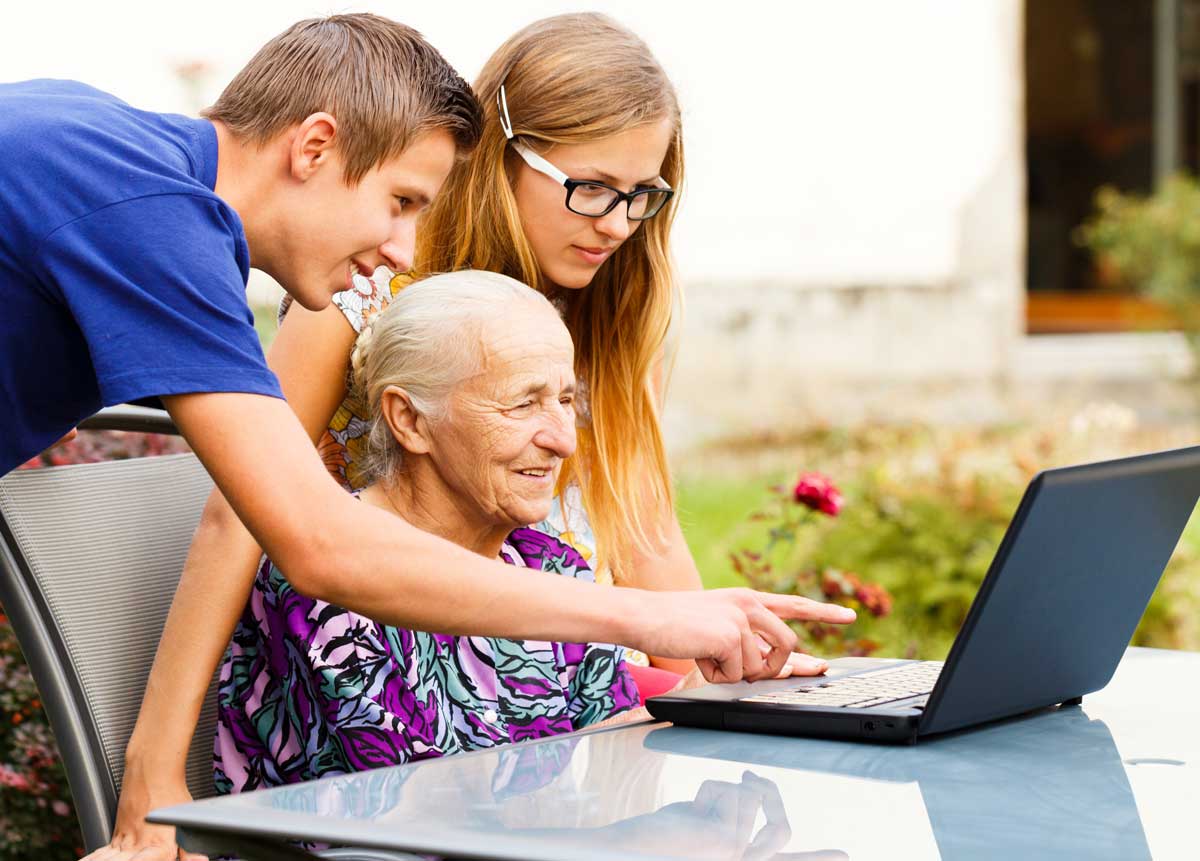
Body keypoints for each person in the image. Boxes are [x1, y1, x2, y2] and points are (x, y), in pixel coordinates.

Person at [0, 13, 848, 861]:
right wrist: (151, 779)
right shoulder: (151, 215)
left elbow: (646, 531)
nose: (398, 246)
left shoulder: (126, 176)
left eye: (642, 197)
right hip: (382, 719)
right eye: (400, 200)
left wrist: (713, 660)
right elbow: (308, 540)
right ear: (315, 147)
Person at [216, 271, 650, 792]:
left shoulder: (547, 562)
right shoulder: (329, 582)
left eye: (563, 400)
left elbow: (616, 769)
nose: (563, 441)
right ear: (410, 420)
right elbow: (438, 809)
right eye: (523, 403)